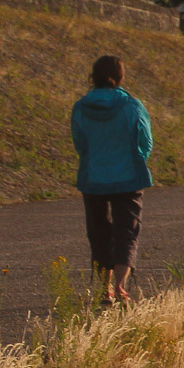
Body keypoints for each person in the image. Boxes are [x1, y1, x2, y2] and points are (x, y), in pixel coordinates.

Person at [71, 55, 153, 304]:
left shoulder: (81, 106)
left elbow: (79, 142)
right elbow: (145, 142)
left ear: (93, 76)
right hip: (127, 177)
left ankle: (103, 289)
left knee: (98, 232)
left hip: (93, 177)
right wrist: (136, 159)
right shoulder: (132, 105)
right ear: (120, 77)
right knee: (126, 231)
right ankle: (120, 287)